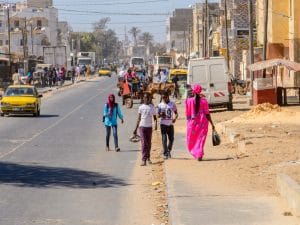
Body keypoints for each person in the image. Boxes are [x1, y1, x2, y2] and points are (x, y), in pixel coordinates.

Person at [185, 84, 215, 161]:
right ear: (200, 91)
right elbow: (207, 114)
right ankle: (199, 153)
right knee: (200, 139)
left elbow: (187, 113)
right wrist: (212, 124)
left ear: (193, 91)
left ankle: (197, 152)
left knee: (193, 139)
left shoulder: (189, 101)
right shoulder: (204, 101)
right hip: (203, 123)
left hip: (192, 123)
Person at [133, 93, 157, 166]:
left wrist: (155, 125)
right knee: (144, 143)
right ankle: (143, 160)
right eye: (145, 97)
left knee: (149, 143)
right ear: (143, 98)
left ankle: (148, 158)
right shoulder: (141, 107)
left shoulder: (152, 107)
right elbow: (138, 118)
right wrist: (135, 129)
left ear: (150, 98)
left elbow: (155, 118)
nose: (146, 99)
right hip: (142, 127)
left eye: (148, 98)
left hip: (149, 127)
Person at [157, 91, 178, 159]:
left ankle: (169, 150)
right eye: (162, 97)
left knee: (171, 139)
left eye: (165, 97)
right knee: (164, 139)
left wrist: (175, 118)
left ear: (167, 96)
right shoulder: (160, 105)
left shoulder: (172, 104)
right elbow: (157, 115)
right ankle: (166, 153)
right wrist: (160, 114)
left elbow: (176, 113)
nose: (164, 99)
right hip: (163, 124)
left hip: (170, 124)